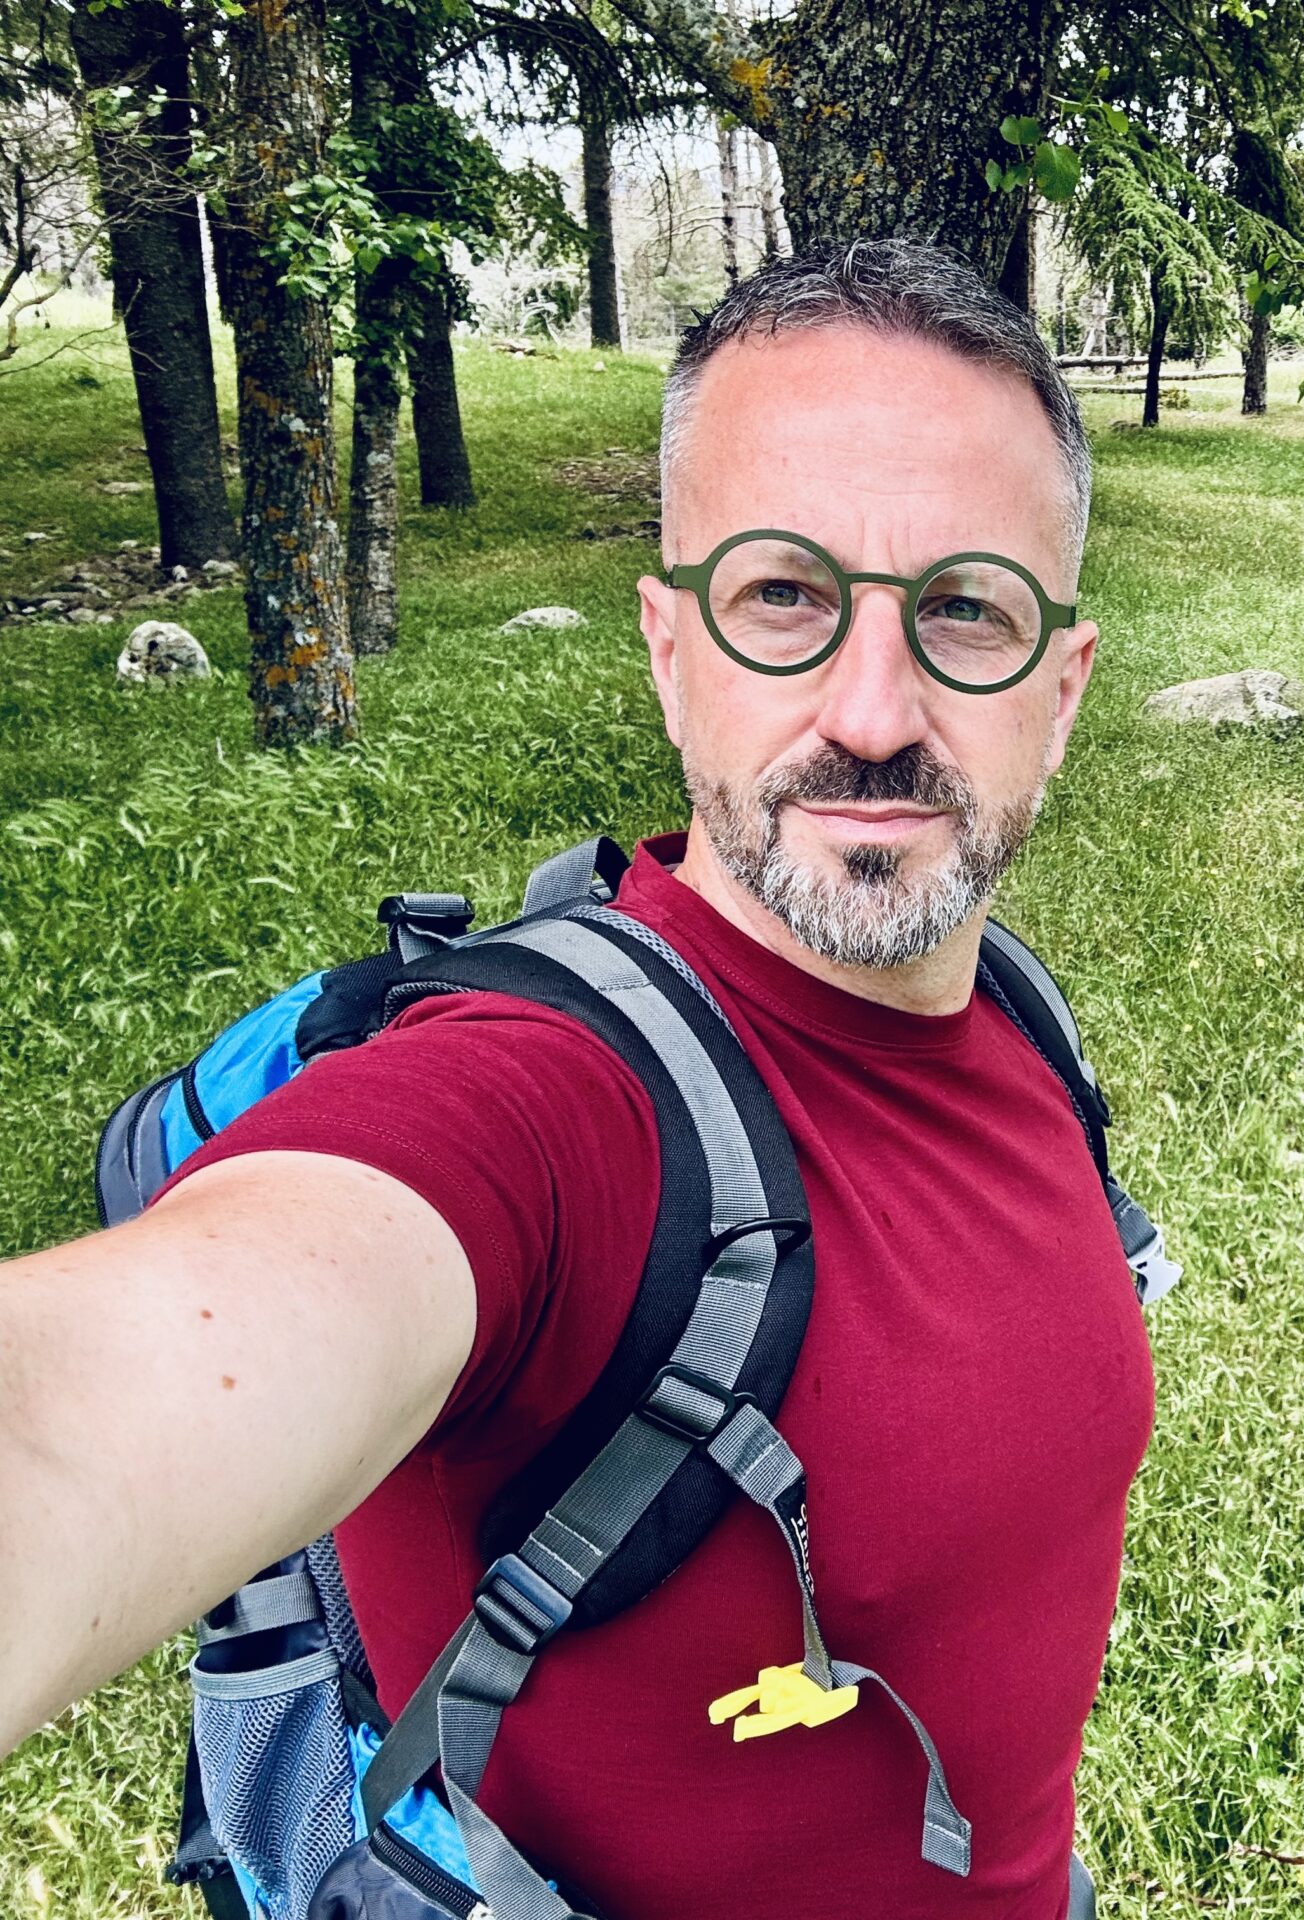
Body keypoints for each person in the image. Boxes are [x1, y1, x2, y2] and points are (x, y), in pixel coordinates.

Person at [0, 240, 1153, 1919]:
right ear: (670, 649)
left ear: (1061, 686)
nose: (873, 711)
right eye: (784, 596)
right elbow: (94, 1408)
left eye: (967, 607)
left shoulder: (1022, 1020)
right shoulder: (546, 1104)